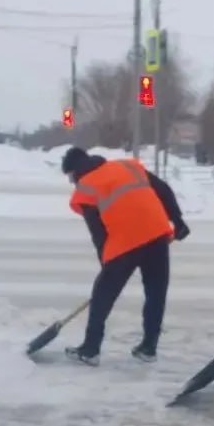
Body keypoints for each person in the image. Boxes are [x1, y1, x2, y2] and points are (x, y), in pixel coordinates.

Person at [62, 147, 190, 365]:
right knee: (155, 292)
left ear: (74, 173)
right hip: (156, 233)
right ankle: (149, 348)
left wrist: (106, 265)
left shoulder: (85, 187)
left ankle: (90, 349)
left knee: (103, 294)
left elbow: (98, 232)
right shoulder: (127, 166)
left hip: (125, 243)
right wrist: (177, 221)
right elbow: (163, 189)